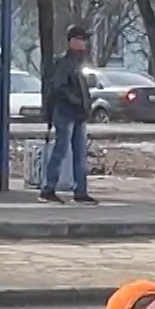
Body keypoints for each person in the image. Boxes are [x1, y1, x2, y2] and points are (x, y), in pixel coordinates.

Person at [39, 24, 96, 205]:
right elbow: (58, 87)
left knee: (79, 153)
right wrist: (77, 102)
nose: (85, 43)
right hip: (65, 113)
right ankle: (48, 189)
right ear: (72, 41)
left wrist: (84, 106)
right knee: (61, 151)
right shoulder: (65, 64)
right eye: (81, 39)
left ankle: (80, 192)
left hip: (77, 114)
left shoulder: (77, 63)